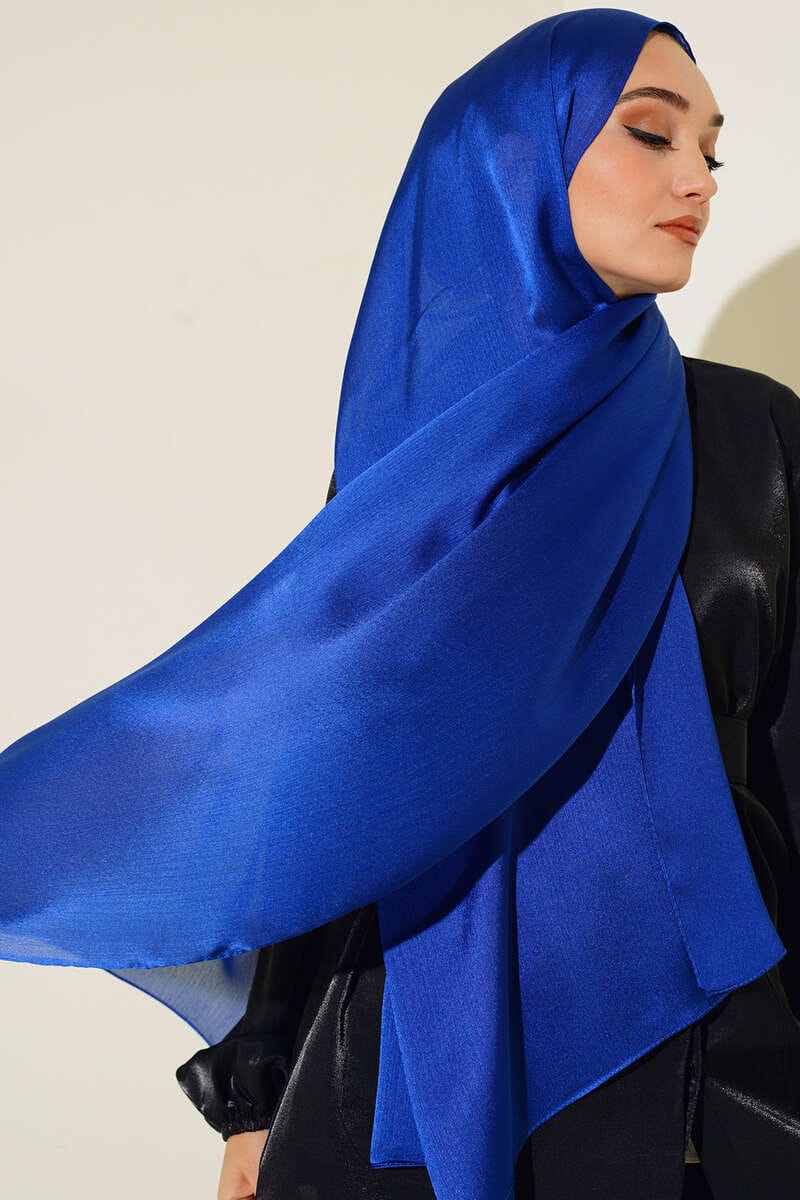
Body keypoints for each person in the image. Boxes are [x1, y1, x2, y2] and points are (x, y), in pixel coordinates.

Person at [1, 10, 799, 1200]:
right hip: (396, 1083)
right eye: (650, 133)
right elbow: (319, 793)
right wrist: (254, 1100)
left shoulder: (754, 439)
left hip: (708, 1085)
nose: (697, 178)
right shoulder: (409, 472)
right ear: (515, 160)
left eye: (711, 148)